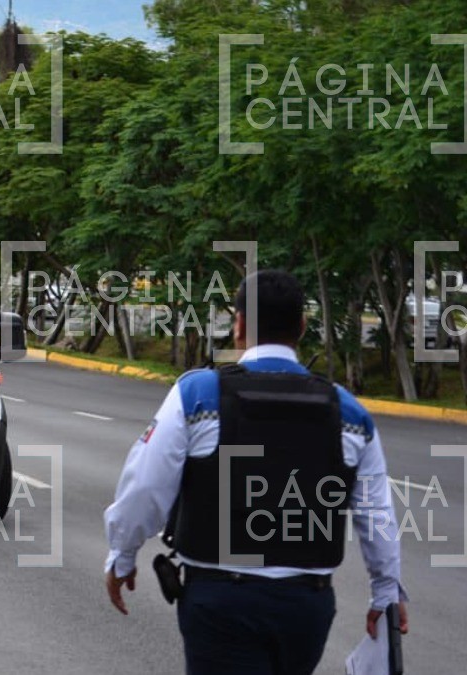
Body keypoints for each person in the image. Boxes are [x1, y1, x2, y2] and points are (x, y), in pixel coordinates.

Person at [103, 269, 408, 674]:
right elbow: (377, 515)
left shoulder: (196, 395)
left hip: (221, 603)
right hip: (307, 608)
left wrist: (122, 556)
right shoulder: (348, 412)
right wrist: (385, 592)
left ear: (239, 324)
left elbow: (145, 488)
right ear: (301, 326)